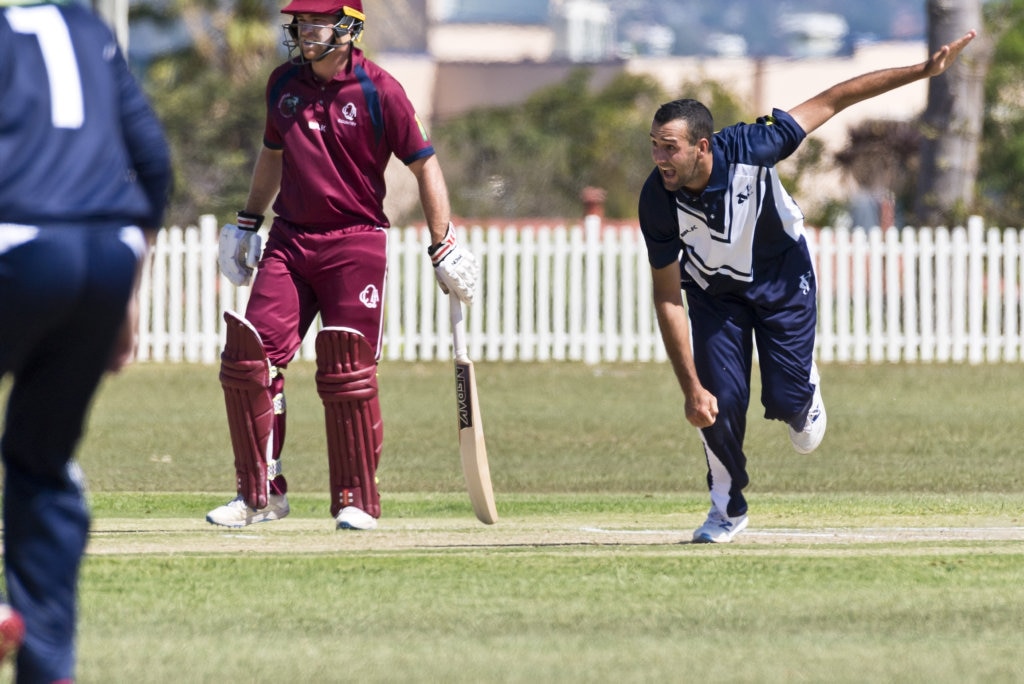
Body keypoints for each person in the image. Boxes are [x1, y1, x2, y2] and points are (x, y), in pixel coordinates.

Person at [638, 30, 977, 544]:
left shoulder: (755, 145)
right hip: (714, 295)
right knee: (720, 399)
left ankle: (803, 392)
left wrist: (922, 72)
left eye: (670, 148)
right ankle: (726, 510)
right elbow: (668, 296)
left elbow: (836, 98)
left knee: (794, 411)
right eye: (655, 147)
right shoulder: (656, 199)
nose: (661, 158)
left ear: (702, 147)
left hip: (781, 278)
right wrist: (691, 388)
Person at [206, 0, 477, 531]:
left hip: (355, 242)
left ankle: (355, 498)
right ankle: (260, 495)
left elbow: (425, 163)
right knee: (249, 360)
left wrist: (442, 243)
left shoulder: (380, 90)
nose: (306, 33)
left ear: (348, 27)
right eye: (300, 24)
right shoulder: (282, 84)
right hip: (290, 238)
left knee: (347, 368)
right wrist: (246, 222)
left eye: (317, 23)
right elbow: (271, 153)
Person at [0, 0, 172, 679]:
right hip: (108, 252)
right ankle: (48, 663)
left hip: (19, 244)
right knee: (40, 462)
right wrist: (126, 290)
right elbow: (153, 163)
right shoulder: (87, 27)